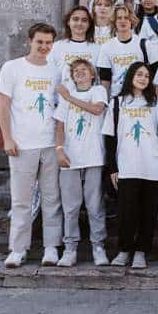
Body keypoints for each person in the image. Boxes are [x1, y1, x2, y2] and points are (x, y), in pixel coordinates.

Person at [0, 23, 63, 269]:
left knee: (51, 198)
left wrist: (59, 144)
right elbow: (3, 105)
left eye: (48, 43)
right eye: (40, 42)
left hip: (49, 144)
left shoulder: (56, 71)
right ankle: (18, 249)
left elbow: (60, 108)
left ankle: (51, 247)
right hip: (22, 144)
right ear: (30, 41)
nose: (44, 47)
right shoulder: (13, 68)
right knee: (21, 200)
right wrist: (7, 138)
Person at [101, 62, 158, 269]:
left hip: (152, 165)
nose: (143, 78)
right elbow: (109, 138)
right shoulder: (118, 103)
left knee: (148, 212)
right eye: (139, 74)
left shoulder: (155, 103)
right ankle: (124, 250)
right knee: (127, 211)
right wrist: (112, 168)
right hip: (127, 165)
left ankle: (141, 252)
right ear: (130, 77)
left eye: (147, 76)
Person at [53, 59, 109, 267]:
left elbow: (97, 110)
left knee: (94, 204)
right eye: (75, 71)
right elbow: (59, 125)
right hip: (70, 156)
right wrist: (59, 149)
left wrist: (69, 97)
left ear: (92, 74)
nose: (79, 73)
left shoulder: (98, 91)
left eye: (83, 70)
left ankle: (98, 246)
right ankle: (70, 248)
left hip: (93, 156)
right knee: (70, 206)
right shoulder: (67, 94)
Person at [96, 5, 158, 98]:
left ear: (131, 21)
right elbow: (105, 80)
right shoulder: (106, 47)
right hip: (117, 98)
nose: (123, 21)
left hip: (141, 98)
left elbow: (157, 77)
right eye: (119, 18)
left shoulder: (145, 44)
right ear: (114, 21)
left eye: (126, 17)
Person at [48, 6, 100, 84]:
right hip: (63, 95)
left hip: (90, 95)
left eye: (84, 20)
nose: (79, 23)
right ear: (68, 22)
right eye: (75, 19)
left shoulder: (98, 49)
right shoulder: (56, 47)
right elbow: (49, 75)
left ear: (89, 24)